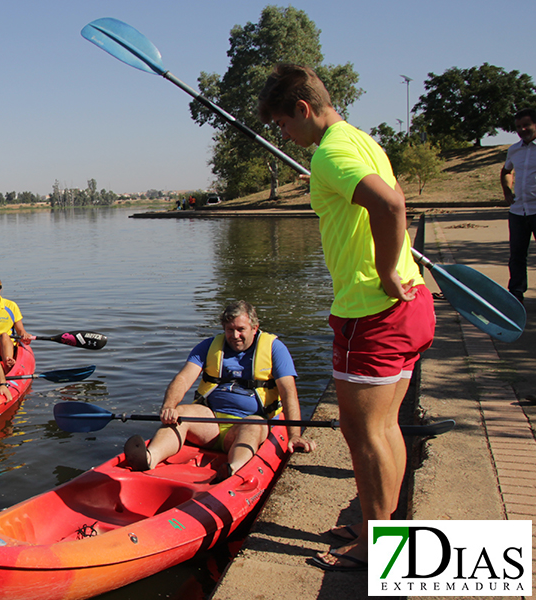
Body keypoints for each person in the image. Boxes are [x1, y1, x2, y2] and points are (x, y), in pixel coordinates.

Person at [258, 64, 435, 571]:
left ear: (303, 109)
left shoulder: (332, 152)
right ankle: (382, 528)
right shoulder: (357, 139)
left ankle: (378, 552)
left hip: (371, 312)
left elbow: (390, 203)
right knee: (385, 429)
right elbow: (378, 205)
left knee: (364, 435)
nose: (284, 136)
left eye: (284, 125)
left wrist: (382, 270)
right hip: (408, 307)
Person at [123, 301, 314, 481]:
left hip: (249, 422)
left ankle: (234, 468)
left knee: (253, 425)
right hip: (210, 421)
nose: (235, 335)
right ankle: (149, 458)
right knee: (181, 412)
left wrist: (294, 434)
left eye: (241, 330)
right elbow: (183, 378)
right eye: (230, 330)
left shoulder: (275, 349)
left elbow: (288, 392)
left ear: (254, 329)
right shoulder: (209, 346)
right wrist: (169, 406)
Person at [501, 107, 536, 304]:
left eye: (526, 125)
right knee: (517, 257)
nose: (522, 130)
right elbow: (506, 170)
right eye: (518, 127)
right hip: (518, 211)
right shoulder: (514, 150)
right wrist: (507, 190)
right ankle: (515, 296)